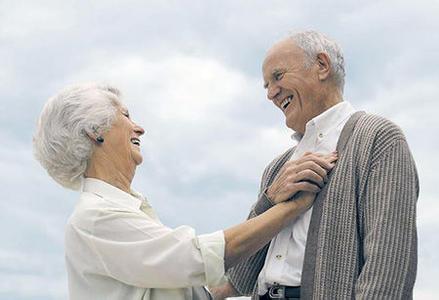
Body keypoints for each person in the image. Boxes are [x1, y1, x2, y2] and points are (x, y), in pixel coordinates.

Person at [32, 83, 337, 300]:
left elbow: (183, 283)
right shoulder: (96, 217)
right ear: (94, 131)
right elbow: (195, 260)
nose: (139, 128)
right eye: (125, 116)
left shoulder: (124, 211)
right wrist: (290, 207)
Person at [212, 30, 419, 299]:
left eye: (277, 76)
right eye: (266, 86)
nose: (271, 93)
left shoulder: (378, 138)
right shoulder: (277, 168)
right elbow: (241, 276)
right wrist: (269, 199)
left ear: (322, 66)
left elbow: (389, 266)